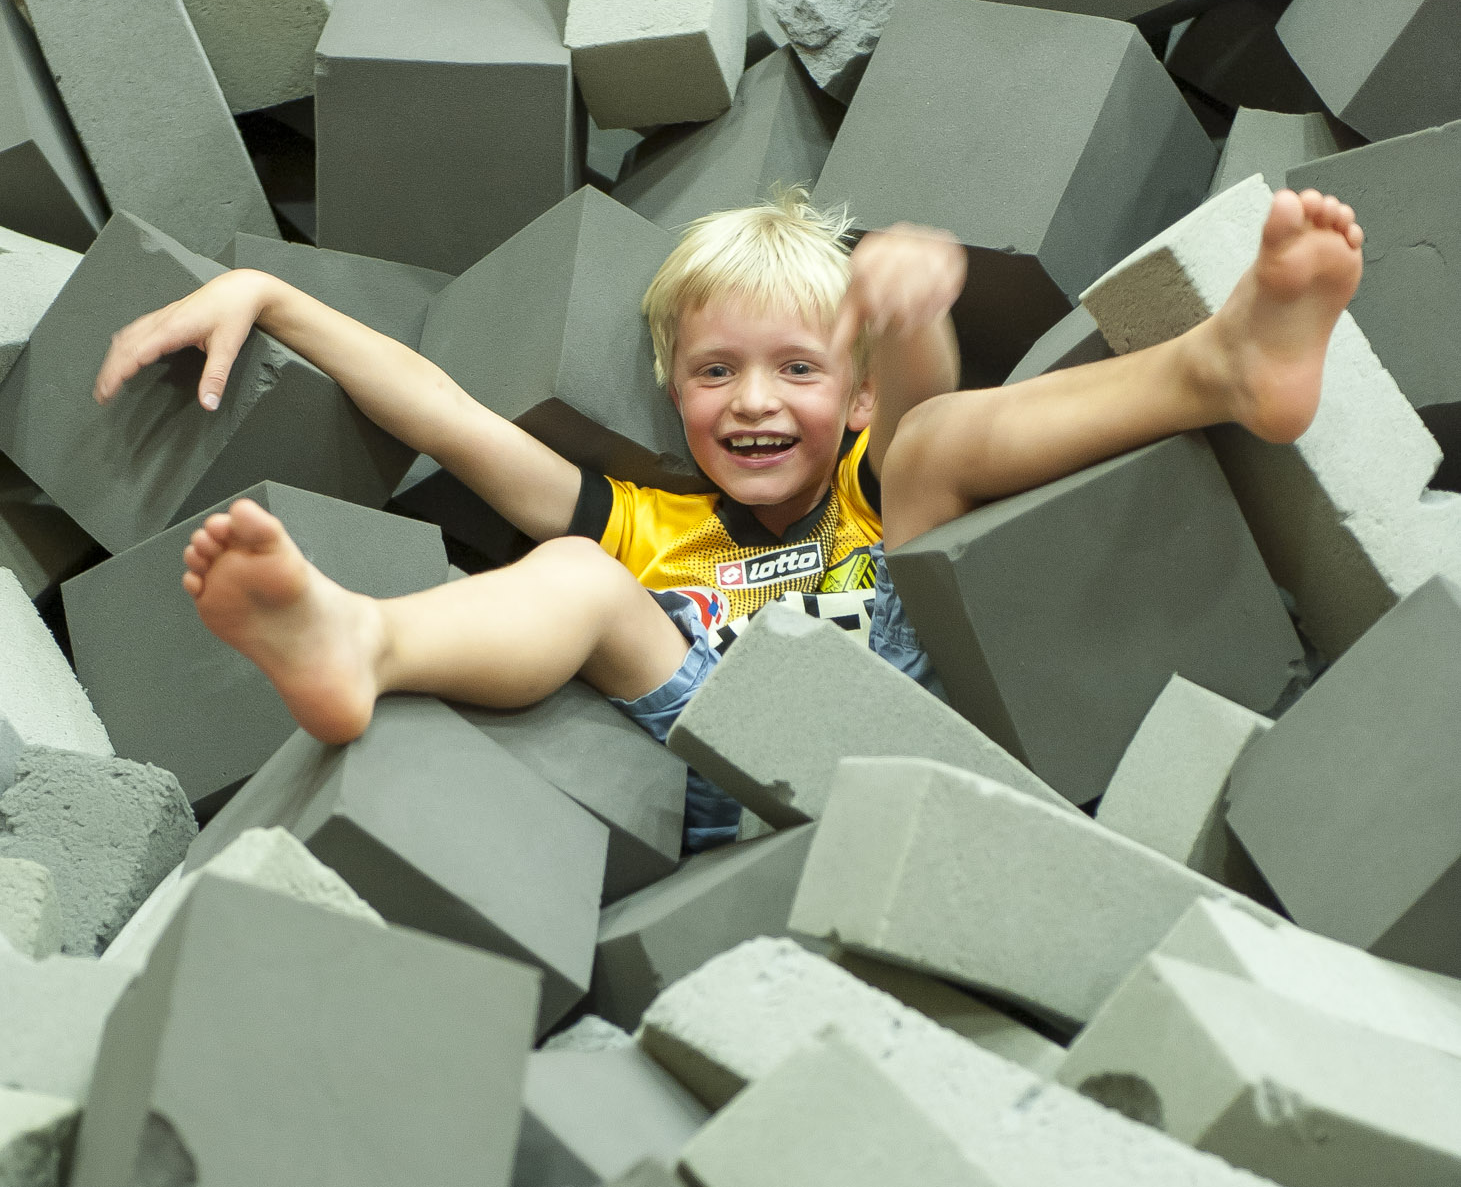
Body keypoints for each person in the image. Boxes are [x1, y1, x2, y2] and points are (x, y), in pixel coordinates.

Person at [91, 183, 1364, 849]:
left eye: (799, 372)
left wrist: (912, 314)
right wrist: (266, 290)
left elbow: (924, 417)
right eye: (717, 373)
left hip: (912, 717)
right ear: (674, 391)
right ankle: (362, 641)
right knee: (582, 575)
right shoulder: (641, 516)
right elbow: (443, 413)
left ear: (850, 391)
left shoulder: (878, 464)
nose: (755, 404)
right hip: (707, 758)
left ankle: (1220, 367)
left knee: (947, 442)